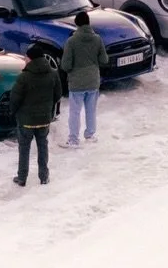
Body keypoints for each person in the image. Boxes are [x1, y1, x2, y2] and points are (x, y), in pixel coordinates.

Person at [10, 44, 62, 187]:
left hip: (26, 120)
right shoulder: (53, 73)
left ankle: (22, 177)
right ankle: (44, 176)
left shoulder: (24, 77)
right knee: (43, 146)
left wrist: (13, 112)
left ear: (31, 58)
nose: (25, 59)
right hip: (44, 119)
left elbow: (15, 98)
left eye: (26, 57)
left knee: (24, 148)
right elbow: (58, 94)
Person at [60, 10, 108, 145]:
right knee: (91, 110)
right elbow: (104, 60)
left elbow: (66, 65)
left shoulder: (71, 41)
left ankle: (73, 140)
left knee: (75, 112)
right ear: (88, 23)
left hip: (76, 82)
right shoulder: (97, 39)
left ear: (77, 24)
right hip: (93, 80)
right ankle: (90, 135)